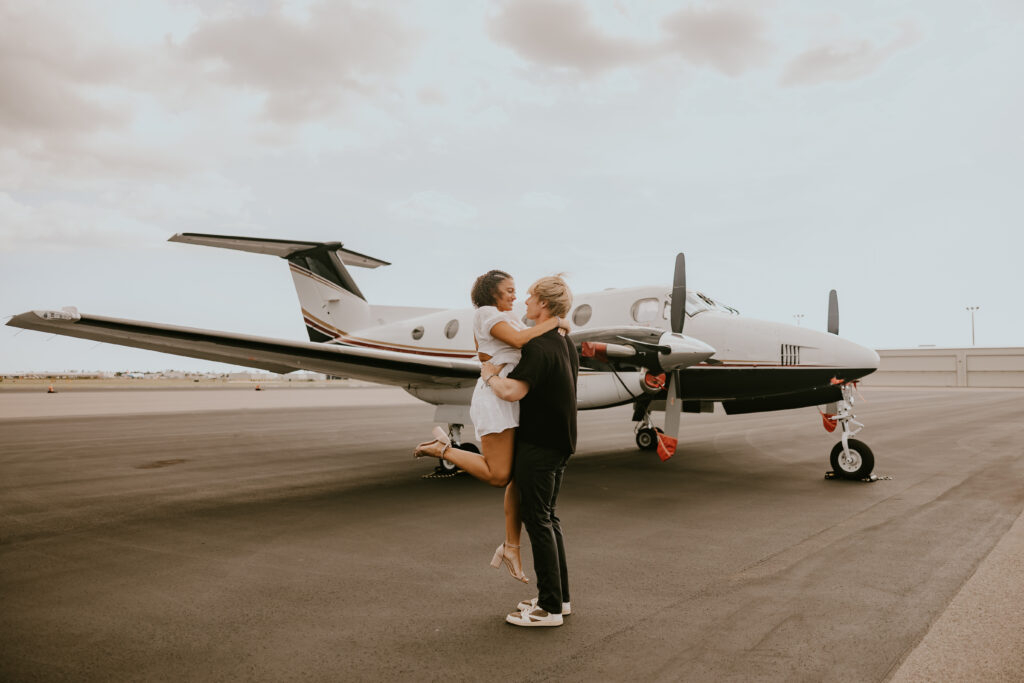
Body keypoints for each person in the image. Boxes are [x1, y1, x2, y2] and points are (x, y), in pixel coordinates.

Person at [413, 270, 568, 583]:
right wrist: (556, 322)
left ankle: (512, 547)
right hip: (496, 399)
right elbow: (519, 341)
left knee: (518, 478)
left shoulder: (507, 316)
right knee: (500, 476)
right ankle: (443, 449)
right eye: (509, 290)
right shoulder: (486, 315)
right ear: (491, 293)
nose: (515, 295)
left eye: (516, 290)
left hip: (511, 400)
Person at [481, 275, 578, 628]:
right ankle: (560, 598)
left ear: (545, 304)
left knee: (538, 521)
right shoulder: (565, 342)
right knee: (548, 519)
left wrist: (489, 375)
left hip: (538, 445)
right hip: (562, 441)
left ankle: (549, 609)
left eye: (532, 296)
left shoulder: (538, 347)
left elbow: (512, 391)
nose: (525, 300)